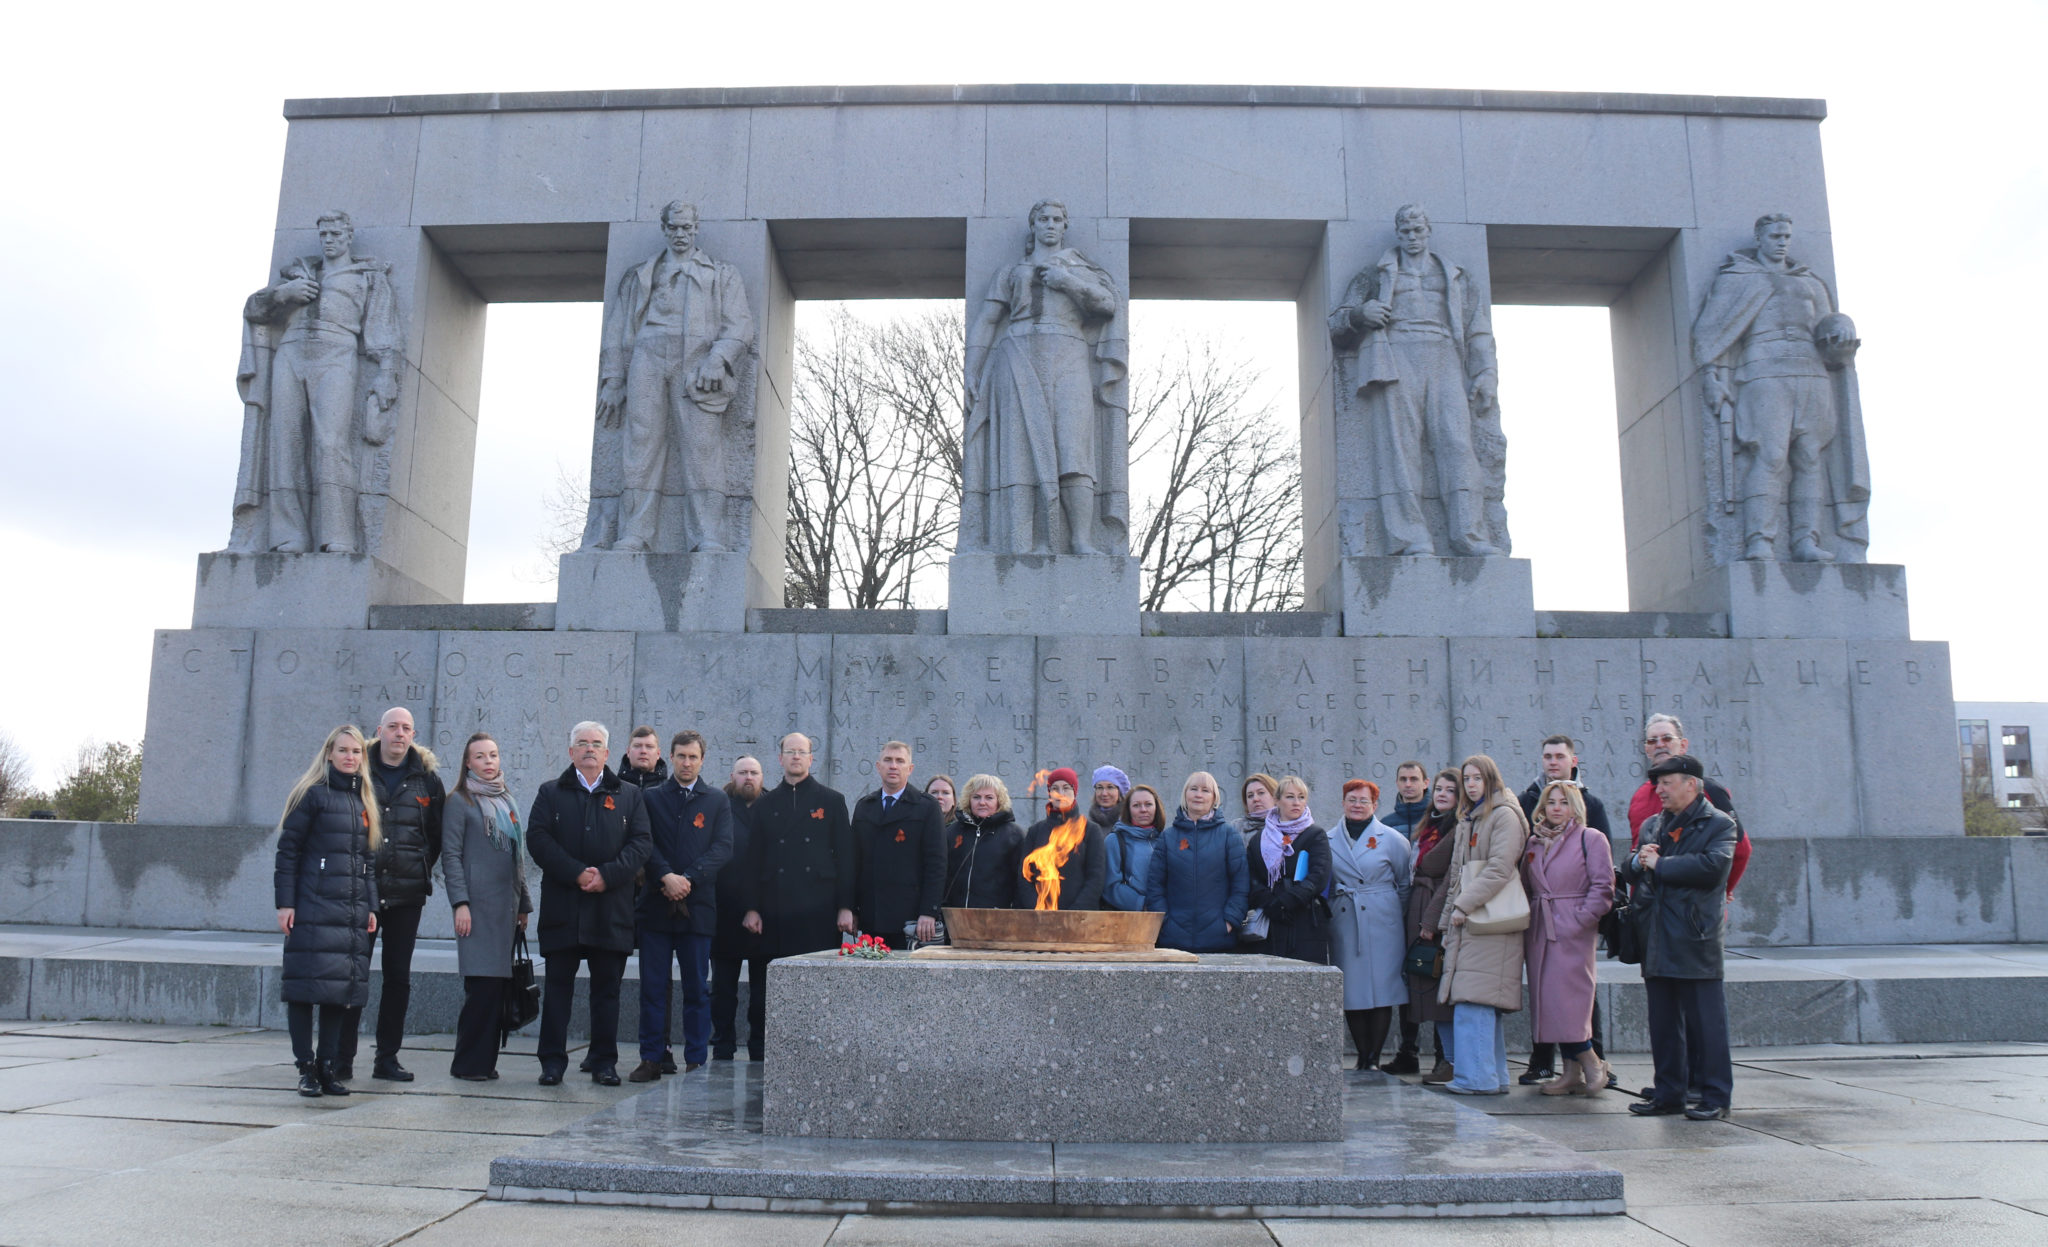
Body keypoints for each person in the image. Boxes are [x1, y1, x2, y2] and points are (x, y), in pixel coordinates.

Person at [1327, 203, 1505, 557]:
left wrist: (1486, 373)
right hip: (1396, 355)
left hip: (1444, 357)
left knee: (1457, 444)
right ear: (1398, 233)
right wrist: (1362, 314)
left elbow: (1478, 330)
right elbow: (1337, 324)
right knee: (1400, 447)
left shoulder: (1455, 276)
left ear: (1428, 231)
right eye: (1405, 232)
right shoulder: (1373, 276)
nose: (1411, 237)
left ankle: (1469, 535)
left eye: (1418, 231)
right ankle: (1410, 538)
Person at [1692, 213, 1868, 563]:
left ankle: (1806, 540)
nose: (1782, 242)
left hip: (1809, 370)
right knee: (1770, 456)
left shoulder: (1810, 283)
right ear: (1760, 238)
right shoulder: (1737, 278)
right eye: (1775, 236)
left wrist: (1842, 331)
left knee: (1808, 457)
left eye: (1786, 236)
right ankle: (1759, 540)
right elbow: (1710, 332)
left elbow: (1826, 329)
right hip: (1763, 372)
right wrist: (1711, 376)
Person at [960, 198, 1128, 556]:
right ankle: (1031, 542)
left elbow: (1107, 305)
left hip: (1069, 352)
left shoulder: (1079, 268)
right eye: (1044, 219)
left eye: (1057, 219)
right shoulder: (1010, 271)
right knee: (1022, 451)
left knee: (1074, 449)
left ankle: (1080, 539)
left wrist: (1067, 281)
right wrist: (971, 369)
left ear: (1065, 226)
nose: (1051, 225)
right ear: (1033, 226)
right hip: (1018, 354)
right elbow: (988, 321)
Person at [586, 200, 755, 553]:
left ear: (696, 228)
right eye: (674, 228)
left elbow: (740, 325)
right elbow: (618, 331)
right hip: (647, 357)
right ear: (664, 229)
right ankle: (635, 533)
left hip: (696, 362)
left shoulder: (721, 273)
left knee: (703, 448)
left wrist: (718, 359)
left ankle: (709, 534)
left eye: (687, 228)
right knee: (640, 445)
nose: (680, 234)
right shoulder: (640, 275)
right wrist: (615, 379)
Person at [231, 210, 401, 554]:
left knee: (331, 443)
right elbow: (253, 310)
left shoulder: (366, 277)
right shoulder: (297, 275)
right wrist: (284, 295)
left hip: (337, 353)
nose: (329, 241)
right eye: (324, 235)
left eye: (336, 234)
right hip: (291, 354)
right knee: (285, 442)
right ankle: (288, 535)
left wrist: (386, 374)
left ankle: (338, 534)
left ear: (349, 236)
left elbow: (383, 331)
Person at [525, 722, 652, 1087]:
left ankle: (603, 1062)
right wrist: (578, 873)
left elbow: (641, 844)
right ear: (570, 752)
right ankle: (552, 1062)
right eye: (582, 743)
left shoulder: (629, 795)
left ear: (609, 753)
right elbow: (538, 839)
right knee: (559, 990)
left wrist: (607, 876)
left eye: (597, 744)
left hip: (610, 909)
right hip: (564, 906)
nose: (589, 749)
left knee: (606, 991)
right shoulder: (550, 793)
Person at [1623, 755, 1739, 1121]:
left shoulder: (1719, 823)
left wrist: (1661, 865)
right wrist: (1639, 861)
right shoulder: (1653, 825)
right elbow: (1628, 866)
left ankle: (1716, 1096)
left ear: (1692, 784)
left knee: (1707, 1024)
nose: (1660, 790)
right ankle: (1669, 1093)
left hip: (1694, 937)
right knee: (1663, 1023)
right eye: (1658, 784)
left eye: (1667, 783)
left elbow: (1713, 867)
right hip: (1656, 934)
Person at [273, 725, 380, 1097]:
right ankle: (305, 1068)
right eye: (344, 750)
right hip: (312, 906)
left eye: (357, 752)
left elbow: (365, 860)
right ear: (329, 754)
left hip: (348, 912)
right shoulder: (312, 796)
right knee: (303, 991)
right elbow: (288, 852)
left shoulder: (362, 800)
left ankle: (327, 1067)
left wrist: (370, 904)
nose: (350, 757)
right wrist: (285, 903)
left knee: (340, 991)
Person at [337, 706, 442, 1084]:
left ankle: (387, 1058)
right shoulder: (360, 771)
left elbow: (435, 836)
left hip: (407, 895)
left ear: (414, 735)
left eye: (407, 728)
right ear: (379, 730)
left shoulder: (427, 780)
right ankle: (341, 1058)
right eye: (393, 727)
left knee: (398, 977)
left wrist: (417, 867)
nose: (400, 734)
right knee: (354, 974)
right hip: (362, 893)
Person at [630, 731, 733, 1082]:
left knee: (696, 989)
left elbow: (722, 848)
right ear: (670, 758)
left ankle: (695, 1060)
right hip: (656, 908)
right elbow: (645, 843)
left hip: (698, 907)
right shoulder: (651, 798)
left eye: (693, 757)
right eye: (681, 756)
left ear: (702, 760)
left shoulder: (717, 800)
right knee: (653, 988)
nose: (687, 763)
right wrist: (666, 877)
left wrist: (688, 877)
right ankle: (651, 1057)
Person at [740, 733, 854, 1049]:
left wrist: (846, 906)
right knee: (765, 990)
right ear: (780, 759)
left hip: (817, 911)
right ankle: (761, 1051)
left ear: (810, 758)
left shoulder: (832, 801)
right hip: (772, 911)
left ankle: (816, 1049)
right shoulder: (764, 805)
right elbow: (752, 860)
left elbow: (845, 857)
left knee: (815, 988)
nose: (795, 757)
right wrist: (751, 907)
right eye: (789, 752)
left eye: (801, 752)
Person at [1516, 733, 1611, 1085]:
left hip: (1572, 927)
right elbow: (1526, 882)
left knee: (1572, 998)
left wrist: (1581, 919)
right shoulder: (1535, 842)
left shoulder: (1591, 834)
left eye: (1562, 802)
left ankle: (1592, 1061)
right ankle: (1568, 1071)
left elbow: (1603, 884)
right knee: (1546, 998)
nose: (1556, 807)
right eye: (1550, 802)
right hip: (1540, 927)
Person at [1433, 755, 1529, 1096]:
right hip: (1471, 919)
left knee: (1474, 1001)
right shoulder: (1470, 818)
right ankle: (1493, 1076)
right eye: (1467, 779)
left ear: (1491, 779)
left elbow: (1500, 869)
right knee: (1480, 1002)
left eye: (1477, 778)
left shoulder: (1503, 816)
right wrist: (1448, 921)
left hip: (1491, 921)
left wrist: (1463, 905)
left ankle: (1476, 1079)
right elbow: (1457, 875)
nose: (1471, 785)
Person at [442, 732, 531, 1082]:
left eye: (493, 755)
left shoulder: (507, 799)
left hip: (506, 911)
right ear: (468, 762)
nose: (488, 762)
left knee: (496, 990)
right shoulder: (459, 802)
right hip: (476, 910)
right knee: (481, 989)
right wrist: (459, 904)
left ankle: (485, 1062)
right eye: (480, 756)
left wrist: (523, 904)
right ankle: (467, 1064)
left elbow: (517, 857)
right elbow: (450, 856)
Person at [1328, 779, 1412, 1069]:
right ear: (1342, 802)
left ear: (1375, 805)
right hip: (1346, 919)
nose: (1357, 805)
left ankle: (1373, 1057)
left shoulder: (1392, 839)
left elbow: (1404, 883)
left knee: (1382, 988)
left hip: (1382, 920)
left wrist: (1387, 908)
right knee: (1352, 989)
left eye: (1364, 801)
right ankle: (1362, 1055)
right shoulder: (1328, 839)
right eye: (1352, 799)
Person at [1629, 714, 1749, 895]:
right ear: (1646, 749)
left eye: (1667, 738)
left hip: (1693, 912)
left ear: (1683, 745)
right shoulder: (1639, 796)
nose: (1660, 745)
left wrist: (1720, 893)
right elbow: (1637, 854)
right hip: (1649, 913)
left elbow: (1740, 850)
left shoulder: (1709, 790)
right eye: (1652, 741)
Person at [1398, 769, 1461, 1081]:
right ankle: (1446, 1059)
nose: (1442, 794)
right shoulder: (1430, 824)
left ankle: (1449, 1059)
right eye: (1439, 788)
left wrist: (1431, 920)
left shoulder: (1457, 827)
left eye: (1450, 790)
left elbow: (1444, 872)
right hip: (1421, 905)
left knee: (1441, 990)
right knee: (1429, 985)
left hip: (1435, 911)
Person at [852, 741, 946, 949]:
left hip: (910, 920)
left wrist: (928, 912)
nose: (893, 766)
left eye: (900, 761)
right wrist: (853, 909)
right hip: (872, 916)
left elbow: (936, 864)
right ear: (878, 766)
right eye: (888, 760)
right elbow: (855, 862)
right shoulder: (864, 806)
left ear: (910, 769)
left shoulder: (926, 807)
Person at [1144, 772, 1250, 953]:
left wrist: (1229, 921)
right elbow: (1155, 886)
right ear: (1185, 794)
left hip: (1219, 939)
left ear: (1214, 797)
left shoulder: (1228, 835)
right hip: (1173, 941)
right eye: (1193, 789)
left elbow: (1241, 884)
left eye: (1205, 790)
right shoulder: (1168, 837)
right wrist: (1164, 923)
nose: (1198, 795)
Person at [1244, 775, 1332, 966]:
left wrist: (1287, 901)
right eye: (1290, 797)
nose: (1296, 802)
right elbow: (1251, 877)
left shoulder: (1315, 834)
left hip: (1305, 918)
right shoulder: (1259, 839)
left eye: (1301, 797)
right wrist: (1270, 903)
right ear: (1277, 801)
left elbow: (1318, 876)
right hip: (1269, 920)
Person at [711, 755, 764, 1062]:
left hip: (763, 914)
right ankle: (722, 1045)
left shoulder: (772, 807)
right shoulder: (719, 804)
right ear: (732, 776)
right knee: (722, 989)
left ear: (761, 776)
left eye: (753, 773)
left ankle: (759, 1046)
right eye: (742, 772)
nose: (748, 777)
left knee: (761, 992)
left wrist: (758, 906)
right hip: (724, 911)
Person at [1014, 768, 1108, 910]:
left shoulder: (1091, 831)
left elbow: (1096, 877)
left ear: (1074, 792)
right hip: (1039, 917)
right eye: (1055, 788)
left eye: (1066, 788)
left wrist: (1075, 912)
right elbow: (1025, 875)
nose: (1061, 793)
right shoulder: (1035, 831)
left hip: (1079, 918)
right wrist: (1037, 909)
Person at [942, 774, 1025, 911]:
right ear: (969, 800)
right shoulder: (951, 832)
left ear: (999, 801)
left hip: (996, 920)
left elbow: (1022, 882)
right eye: (976, 797)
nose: (982, 802)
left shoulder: (1015, 836)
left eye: (989, 797)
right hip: (954, 919)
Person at [1101, 783, 1167, 913]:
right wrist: (1142, 904)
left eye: (1148, 804)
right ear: (1129, 810)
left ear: (1156, 808)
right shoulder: (1114, 840)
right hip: (1130, 920)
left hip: (1165, 918)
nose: (1143, 809)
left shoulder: (1165, 840)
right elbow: (1110, 885)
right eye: (1136, 805)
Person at [1381, 762, 1431, 838]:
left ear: (1425, 783)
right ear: (1397, 783)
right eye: (1403, 779)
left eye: (1414, 779)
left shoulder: (1437, 819)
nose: (1408, 784)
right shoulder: (1386, 824)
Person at [1238, 773, 1279, 849]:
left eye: (1261, 793)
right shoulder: (1236, 828)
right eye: (1250, 795)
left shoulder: (1288, 825)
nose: (1255, 799)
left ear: (1274, 796)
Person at [1089, 766, 1130, 831]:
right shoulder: (1084, 826)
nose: (1104, 793)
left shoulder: (1130, 823)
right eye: (1100, 787)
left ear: (1120, 791)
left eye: (1110, 787)